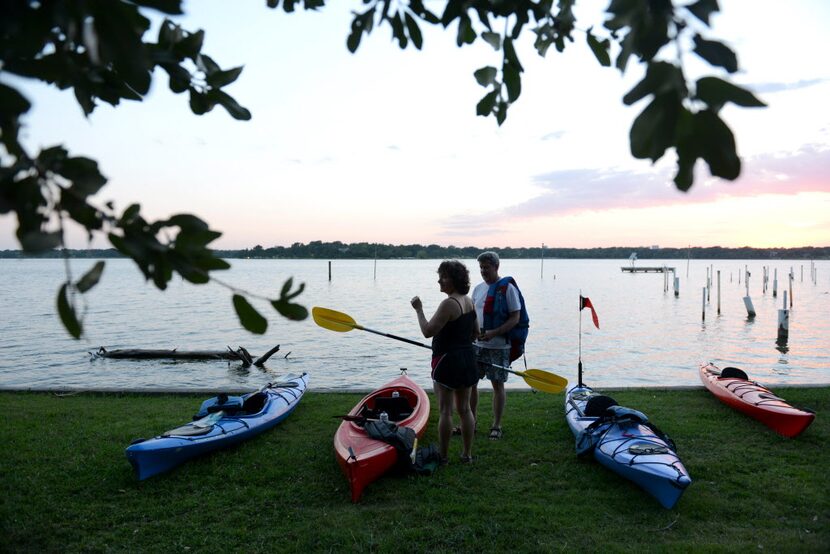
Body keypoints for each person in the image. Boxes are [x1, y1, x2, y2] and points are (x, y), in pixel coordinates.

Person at [411, 260, 478, 464]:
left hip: (448, 362)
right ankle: (466, 455)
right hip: (467, 359)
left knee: (446, 411)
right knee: (465, 409)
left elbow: (428, 331)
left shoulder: (449, 303)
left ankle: (444, 456)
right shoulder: (469, 301)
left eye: (444, 276)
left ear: (455, 280)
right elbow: (475, 333)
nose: (439, 280)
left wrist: (419, 309)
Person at [470, 251, 524, 440]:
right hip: (477, 345)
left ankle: (496, 425)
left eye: (487, 267)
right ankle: (471, 422)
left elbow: (515, 317)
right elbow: (471, 316)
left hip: (499, 347)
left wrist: (494, 332)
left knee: (497, 386)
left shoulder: (507, 289)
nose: (483, 271)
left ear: (496, 267)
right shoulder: (477, 289)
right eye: (481, 268)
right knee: (471, 385)